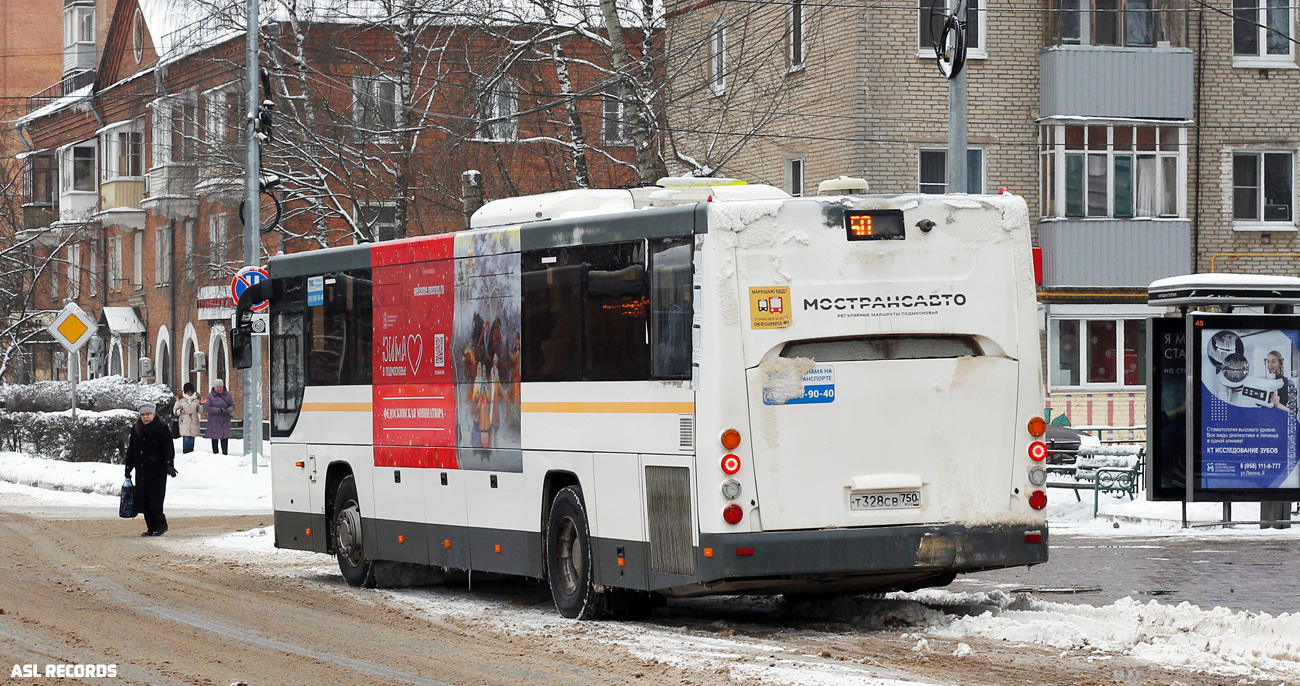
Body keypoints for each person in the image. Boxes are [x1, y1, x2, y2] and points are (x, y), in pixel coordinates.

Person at [125, 401, 177, 536]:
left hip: (157, 470)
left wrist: (169, 464)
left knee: (155, 500)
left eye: (148, 414)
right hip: (141, 470)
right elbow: (132, 449)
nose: (145, 417)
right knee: (144, 500)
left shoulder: (162, 428)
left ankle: (161, 525)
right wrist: (128, 467)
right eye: (143, 415)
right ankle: (150, 527)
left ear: (153, 414)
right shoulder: (136, 429)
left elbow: (168, 448)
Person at [202, 379, 235, 455]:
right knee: (214, 439)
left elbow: (232, 405)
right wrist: (218, 410)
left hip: (225, 420)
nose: (219, 389)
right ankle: (215, 454)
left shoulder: (228, 395)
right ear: (214, 387)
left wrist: (229, 410)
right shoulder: (210, 396)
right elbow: (207, 407)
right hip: (214, 421)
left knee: (224, 439)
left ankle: (225, 454)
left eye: (220, 387)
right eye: (217, 387)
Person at [1266, 351, 1298, 416]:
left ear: (1280, 364)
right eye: (1268, 361)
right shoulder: (1264, 382)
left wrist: (1277, 405)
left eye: (1273, 361)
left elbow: (1293, 412)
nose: (1270, 364)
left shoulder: (1288, 383)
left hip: (1280, 420)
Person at [176, 382, 201, 453]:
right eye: (188, 392)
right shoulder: (181, 400)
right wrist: (180, 411)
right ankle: (185, 453)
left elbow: (200, 411)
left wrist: (201, 404)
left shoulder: (197, 399)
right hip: (184, 422)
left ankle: (191, 453)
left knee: (192, 439)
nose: (190, 393)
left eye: (191, 392)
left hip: (193, 421)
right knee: (186, 438)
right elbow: (175, 410)